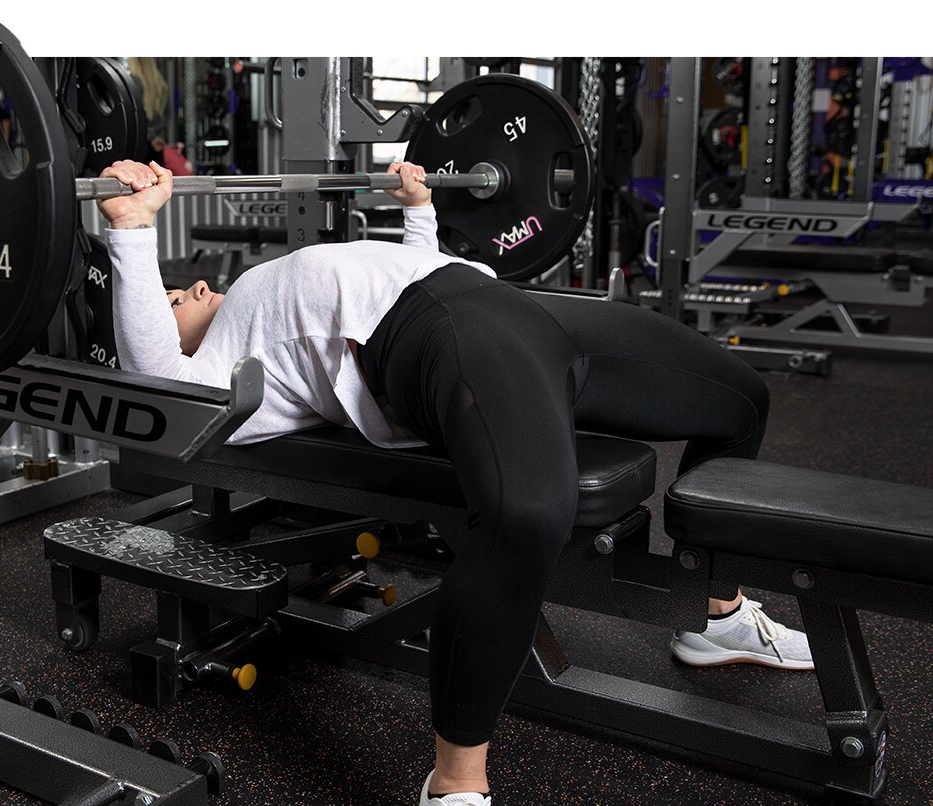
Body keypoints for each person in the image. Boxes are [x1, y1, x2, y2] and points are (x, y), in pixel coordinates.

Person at [97, 159, 813, 806]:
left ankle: (723, 618)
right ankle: (457, 783)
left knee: (742, 397)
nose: (188, 290)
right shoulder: (232, 370)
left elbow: (410, 268)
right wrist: (132, 235)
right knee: (530, 513)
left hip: (521, 307)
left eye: (175, 286)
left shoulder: (249, 297)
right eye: (170, 302)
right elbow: (155, 381)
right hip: (441, 333)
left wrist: (417, 208)